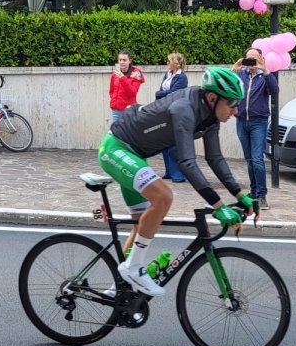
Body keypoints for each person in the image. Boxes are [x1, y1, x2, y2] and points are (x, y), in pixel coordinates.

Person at [99, 67, 255, 296]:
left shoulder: (211, 117)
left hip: (134, 156)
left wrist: (240, 193)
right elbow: (187, 162)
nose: (236, 110)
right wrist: (218, 206)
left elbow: (214, 158)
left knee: (141, 222)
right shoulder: (185, 108)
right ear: (213, 98)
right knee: (163, 196)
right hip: (115, 149)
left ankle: (118, 289)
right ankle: (133, 268)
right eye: (232, 103)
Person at [234, 47, 277, 210]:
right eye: (248, 59)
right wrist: (234, 69)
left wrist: (265, 70)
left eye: (255, 58)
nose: (251, 62)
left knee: (257, 159)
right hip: (241, 122)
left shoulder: (264, 76)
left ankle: (262, 195)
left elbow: (275, 91)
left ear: (261, 59)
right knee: (250, 160)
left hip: (258, 122)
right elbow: (228, 86)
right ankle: (253, 192)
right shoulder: (241, 75)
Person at [155, 52, 189, 182]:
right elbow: (163, 92)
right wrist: (161, 94)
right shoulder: (167, 74)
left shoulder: (182, 77)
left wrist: (160, 93)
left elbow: (174, 94)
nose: (167, 63)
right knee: (165, 142)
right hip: (164, 110)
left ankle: (178, 174)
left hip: (175, 111)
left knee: (174, 144)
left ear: (175, 63)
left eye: (169, 61)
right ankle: (169, 171)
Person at [108, 50, 145, 124]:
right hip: (115, 111)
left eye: (124, 60)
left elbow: (132, 93)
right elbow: (111, 91)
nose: (122, 62)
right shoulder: (115, 74)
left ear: (129, 61)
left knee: (128, 135)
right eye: (120, 60)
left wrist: (122, 78)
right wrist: (114, 100)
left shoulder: (136, 74)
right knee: (115, 134)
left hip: (128, 111)